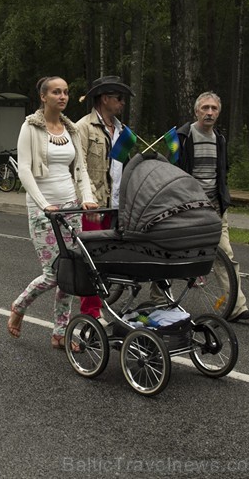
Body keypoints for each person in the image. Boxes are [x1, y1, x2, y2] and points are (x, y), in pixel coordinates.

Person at [7, 76, 98, 348]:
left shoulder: (70, 129)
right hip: (43, 211)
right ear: (43, 97)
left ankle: (60, 333)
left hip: (70, 207)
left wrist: (88, 198)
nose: (63, 96)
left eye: (66, 92)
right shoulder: (30, 128)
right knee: (54, 273)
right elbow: (24, 169)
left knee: (71, 272)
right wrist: (43, 204)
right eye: (56, 92)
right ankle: (19, 306)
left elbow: (80, 168)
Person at [174, 91, 249, 322]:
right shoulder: (181, 136)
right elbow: (171, 172)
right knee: (172, 255)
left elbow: (222, 172)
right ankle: (158, 300)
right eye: (205, 108)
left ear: (218, 113)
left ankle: (236, 307)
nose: (209, 112)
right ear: (196, 111)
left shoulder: (220, 139)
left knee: (226, 257)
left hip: (215, 209)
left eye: (213, 109)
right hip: (187, 210)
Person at [75, 75, 135, 319]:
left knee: (110, 260)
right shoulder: (83, 127)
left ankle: (102, 306)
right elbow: (78, 168)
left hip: (117, 205)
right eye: (119, 98)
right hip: (94, 204)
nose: (123, 103)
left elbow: (123, 167)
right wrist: (86, 200)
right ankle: (91, 313)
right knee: (92, 261)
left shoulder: (123, 131)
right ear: (105, 98)